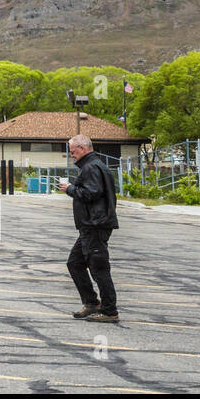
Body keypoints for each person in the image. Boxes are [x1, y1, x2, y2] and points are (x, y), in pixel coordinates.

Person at [58, 135, 120, 323]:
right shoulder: (94, 165)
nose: (71, 155)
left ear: (82, 149)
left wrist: (69, 188)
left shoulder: (91, 167)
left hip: (95, 225)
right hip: (90, 226)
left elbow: (91, 193)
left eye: (73, 151)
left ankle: (110, 311)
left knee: (99, 267)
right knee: (75, 263)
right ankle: (92, 303)